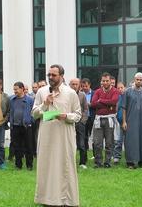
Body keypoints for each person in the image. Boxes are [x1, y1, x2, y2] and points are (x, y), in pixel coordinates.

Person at [32, 64, 81, 206]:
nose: (51, 77)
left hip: (64, 136)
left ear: (61, 76)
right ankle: (46, 199)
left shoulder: (70, 93)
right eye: (49, 75)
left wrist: (66, 116)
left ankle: (67, 199)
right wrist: (45, 104)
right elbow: (34, 114)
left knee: (65, 165)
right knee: (46, 166)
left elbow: (78, 115)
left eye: (54, 75)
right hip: (47, 135)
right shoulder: (41, 92)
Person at [121, 73, 142, 169]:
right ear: (134, 79)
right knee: (131, 140)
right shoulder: (128, 91)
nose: (139, 81)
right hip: (130, 120)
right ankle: (130, 162)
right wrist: (124, 121)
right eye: (137, 79)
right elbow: (124, 108)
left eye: (141, 80)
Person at [91, 72, 120, 168]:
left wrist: (101, 101)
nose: (105, 82)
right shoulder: (97, 91)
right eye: (103, 81)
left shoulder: (115, 91)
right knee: (97, 142)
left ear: (110, 81)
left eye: (107, 80)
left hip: (109, 119)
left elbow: (114, 101)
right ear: (101, 81)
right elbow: (93, 104)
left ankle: (107, 162)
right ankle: (98, 162)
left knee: (109, 142)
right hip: (98, 119)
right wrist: (107, 104)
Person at [9, 82, 34, 170]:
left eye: (16, 89)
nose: (14, 91)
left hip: (27, 126)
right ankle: (18, 165)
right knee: (17, 147)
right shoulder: (12, 99)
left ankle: (29, 165)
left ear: (22, 88)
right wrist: (11, 122)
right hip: (15, 126)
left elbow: (33, 112)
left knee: (28, 146)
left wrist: (31, 121)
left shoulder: (30, 100)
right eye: (14, 89)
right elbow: (10, 111)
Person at [69, 78, 88, 169]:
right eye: (73, 84)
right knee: (69, 143)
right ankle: (70, 163)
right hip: (68, 122)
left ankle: (82, 162)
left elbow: (85, 109)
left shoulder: (82, 95)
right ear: (69, 85)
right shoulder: (67, 95)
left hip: (80, 123)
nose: (74, 86)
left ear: (79, 85)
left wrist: (83, 121)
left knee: (81, 143)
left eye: (76, 84)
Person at [81, 78, 95, 161]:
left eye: (86, 86)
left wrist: (90, 104)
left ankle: (95, 155)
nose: (84, 88)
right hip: (84, 119)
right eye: (83, 86)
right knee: (84, 137)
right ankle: (84, 156)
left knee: (94, 137)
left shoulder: (94, 93)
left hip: (92, 117)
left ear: (89, 85)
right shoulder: (80, 94)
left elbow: (96, 103)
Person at [113, 82, 125, 164]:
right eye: (118, 88)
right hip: (118, 121)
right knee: (118, 140)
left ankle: (129, 157)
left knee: (127, 141)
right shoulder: (116, 97)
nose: (120, 89)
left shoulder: (127, 96)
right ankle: (116, 156)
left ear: (125, 87)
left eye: (122, 87)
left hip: (126, 121)